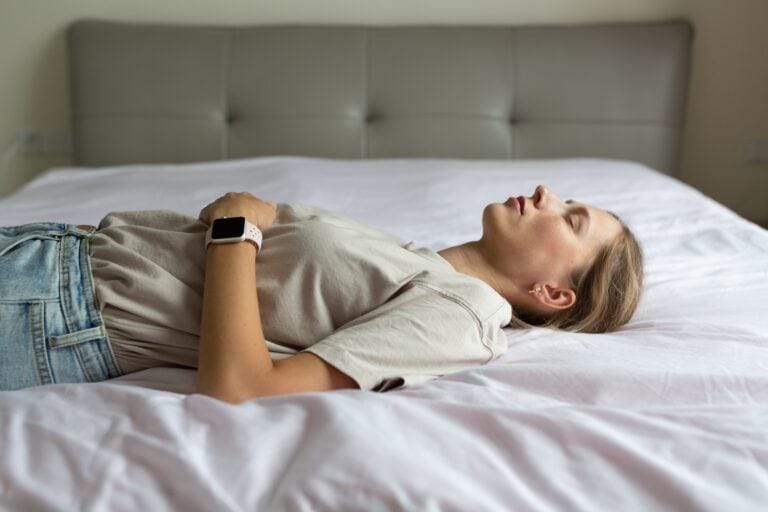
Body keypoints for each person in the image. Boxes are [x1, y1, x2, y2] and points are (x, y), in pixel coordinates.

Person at [0, 185, 643, 400]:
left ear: (555, 294)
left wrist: (235, 229)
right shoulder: (419, 262)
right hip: (45, 254)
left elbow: (242, 387)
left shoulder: (464, 316)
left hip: (53, 307)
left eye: (572, 219)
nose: (546, 197)